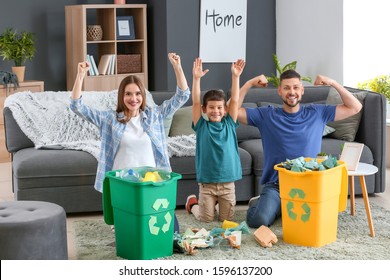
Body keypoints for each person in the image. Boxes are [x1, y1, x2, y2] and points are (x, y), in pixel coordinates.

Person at [70, 52, 190, 233]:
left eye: (137, 94)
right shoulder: (110, 119)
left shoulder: (154, 116)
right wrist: (80, 76)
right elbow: (76, 106)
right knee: (132, 231)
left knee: (170, 231)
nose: (133, 99)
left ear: (142, 95)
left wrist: (177, 68)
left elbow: (182, 96)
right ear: (121, 96)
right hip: (123, 184)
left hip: (150, 183)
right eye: (128, 94)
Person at [238, 69, 362, 228]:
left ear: (302, 90)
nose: (292, 92)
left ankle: (280, 206)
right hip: (278, 185)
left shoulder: (318, 112)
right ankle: (265, 203)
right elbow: (232, 112)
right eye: (287, 88)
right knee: (259, 221)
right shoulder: (266, 115)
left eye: (296, 87)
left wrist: (332, 82)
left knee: (318, 221)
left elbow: (355, 107)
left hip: (310, 184)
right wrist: (248, 84)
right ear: (280, 91)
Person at [185, 57, 245, 222]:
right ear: (205, 109)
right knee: (206, 219)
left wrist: (236, 77)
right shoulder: (201, 126)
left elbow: (235, 100)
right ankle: (193, 204)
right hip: (207, 185)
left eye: (219, 107)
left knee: (226, 221)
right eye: (211, 107)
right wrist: (196, 79)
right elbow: (196, 102)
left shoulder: (229, 124)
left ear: (225, 109)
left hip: (227, 185)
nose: (215, 111)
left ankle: (219, 205)